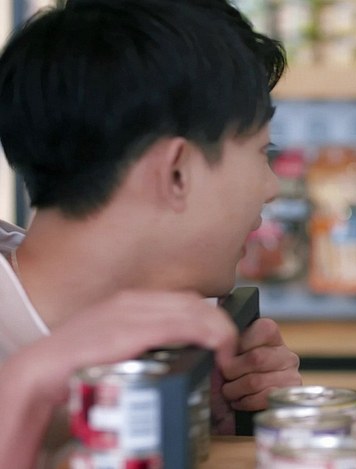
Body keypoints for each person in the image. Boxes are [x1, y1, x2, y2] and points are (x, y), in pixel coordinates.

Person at [0, 0, 302, 466]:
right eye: (264, 152)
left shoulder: (186, 341)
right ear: (176, 172)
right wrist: (26, 390)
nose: (271, 188)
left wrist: (215, 433)